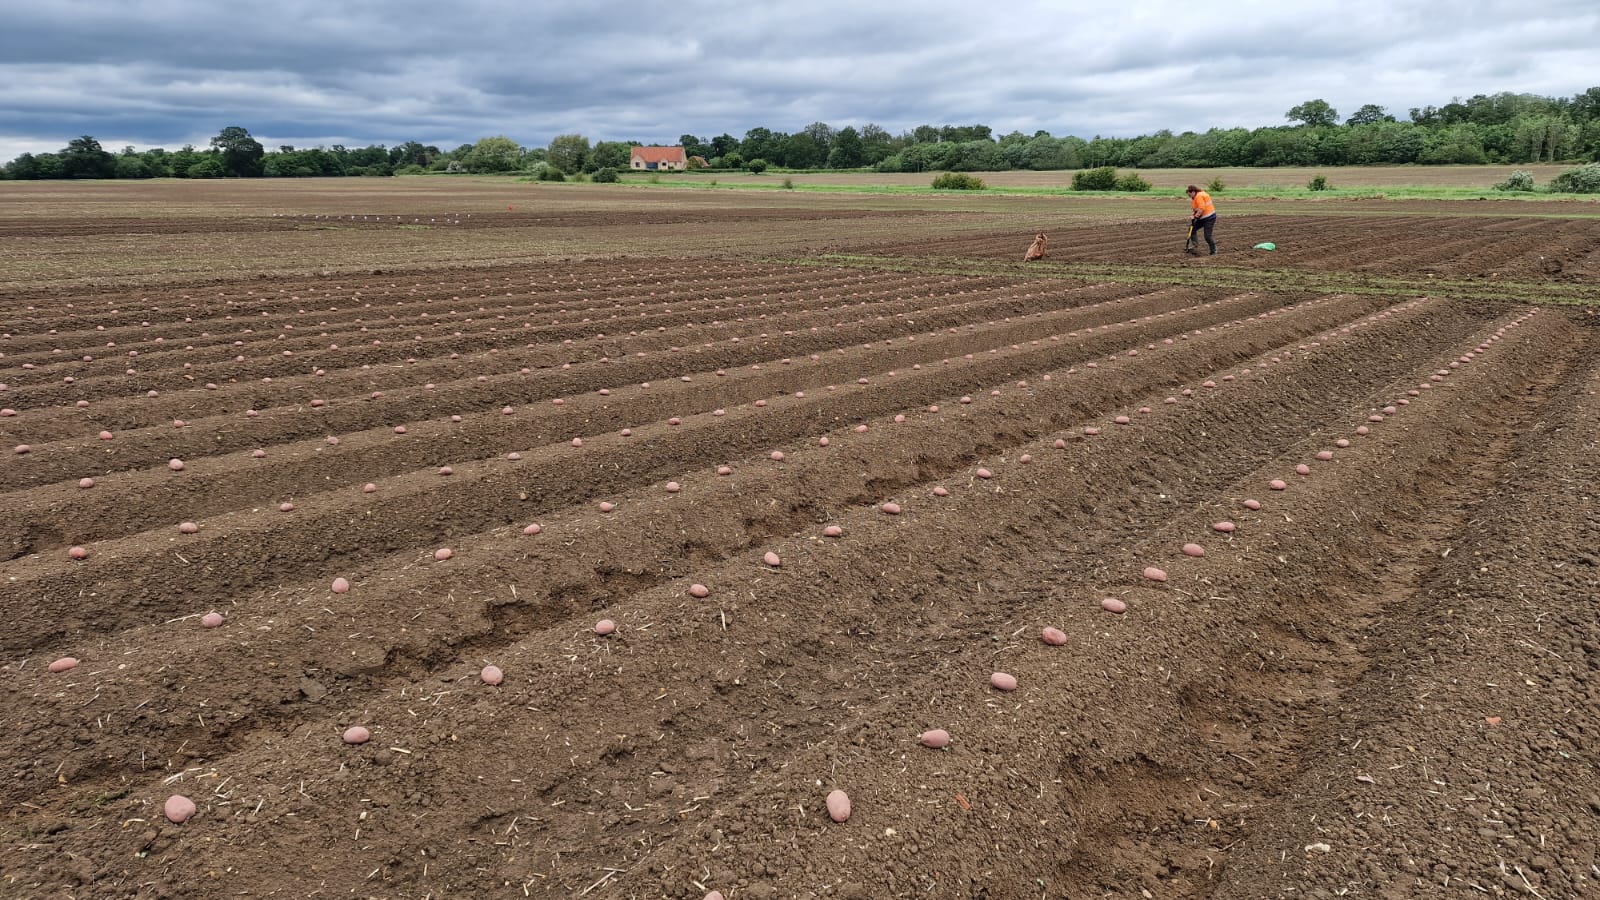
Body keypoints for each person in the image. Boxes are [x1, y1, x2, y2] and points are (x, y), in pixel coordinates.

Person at [1185, 185, 1217, 255]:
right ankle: (1195, 245)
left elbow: (1201, 208)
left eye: (1190, 195)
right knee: (1192, 229)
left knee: (1207, 236)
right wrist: (1194, 214)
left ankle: (1213, 251)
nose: (1190, 197)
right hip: (1202, 217)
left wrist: (1195, 216)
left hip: (1209, 218)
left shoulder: (1199, 196)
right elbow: (1197, 208)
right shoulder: (1197, 196)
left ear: (1193, 192)